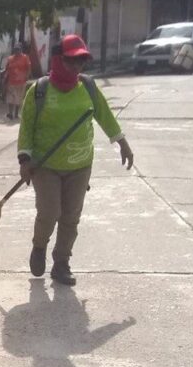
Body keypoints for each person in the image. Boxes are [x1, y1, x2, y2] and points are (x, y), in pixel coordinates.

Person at [17, 35, 134, 287]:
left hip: (80, 165)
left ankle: (61, 263)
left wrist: (122, 142)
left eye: (81, 61)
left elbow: (105, 116)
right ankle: (39, 246)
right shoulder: (39, 90)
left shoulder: (88, 87)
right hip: (45, 165)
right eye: (71, 61)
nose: (76, 67)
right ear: (59, 59)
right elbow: (26, 126)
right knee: (49, 213)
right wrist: (25, 160)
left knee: (71, 217)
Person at [4, 43, 32, 120]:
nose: (17, 51)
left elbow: (28, 67)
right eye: (15, 50)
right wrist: (5, 77)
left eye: (18, 49)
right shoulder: (10, 58)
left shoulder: (25, 58)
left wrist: (27, 76)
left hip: (21, 81)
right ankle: (10, 113)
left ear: (21, 50)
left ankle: (16, 114)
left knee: (18, 98)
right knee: (10, 98)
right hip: (11, 81)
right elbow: (7, 68)